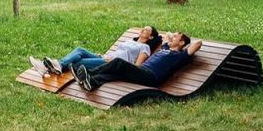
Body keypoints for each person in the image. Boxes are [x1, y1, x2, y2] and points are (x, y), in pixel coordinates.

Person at [72, 31, 202, 91]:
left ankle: (90, 73)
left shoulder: (181, 56)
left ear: (182, 42)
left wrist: (183, 43)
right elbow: (167, 35)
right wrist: (172, 36)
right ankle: (92, 82)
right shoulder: (166, 48)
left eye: (176, 37)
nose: (172, 37)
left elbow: (198, 44)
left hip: (151, 76)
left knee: (118, 63)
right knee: (116, 73)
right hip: (142, 71)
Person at [28, 26, 160, 76]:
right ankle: (56, 65)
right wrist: (104, 55)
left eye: (147, 30)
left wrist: (114, 60)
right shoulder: (130, 41)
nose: (143, 29)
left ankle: (49, 66)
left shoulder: (145, 48)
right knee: (80, 49)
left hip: (112, 64)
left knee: (78, 62)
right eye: (143, 27)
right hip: (105, 58)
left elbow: (136, 66)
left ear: (151, 36)